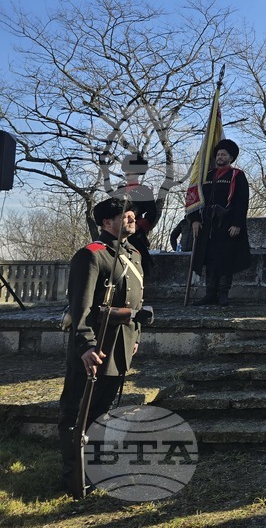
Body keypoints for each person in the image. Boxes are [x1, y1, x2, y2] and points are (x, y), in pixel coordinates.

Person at [57, 198, 149, 496]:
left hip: (120, 346)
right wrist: (86, 346)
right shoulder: (92, 255)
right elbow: (81, 309)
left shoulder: (133, 254)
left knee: (105, 411)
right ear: (107, 222)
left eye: (132, 213)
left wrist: (134, 338)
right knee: (77, 411)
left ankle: (97, 469)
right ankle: (75, 474)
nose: (132, 217)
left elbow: (135, 303)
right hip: (94, 346)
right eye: (125, 214)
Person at [189, 139, 252, 306]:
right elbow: (195, 197)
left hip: (227, 223)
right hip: (208, 224)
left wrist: (237, 223)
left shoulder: (237, 175)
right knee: (209, 259)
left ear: (230, 157)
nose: (220, 157)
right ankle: (210, 293)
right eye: (218, 154)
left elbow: (242, 200)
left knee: (225, 259)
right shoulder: (206, 176)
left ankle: (223, 293)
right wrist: (194, 219)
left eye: (223, 154)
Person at [110, 154, 159, 280]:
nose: (128, 172)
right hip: (116, 233)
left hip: (134, 234)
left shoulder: (144, 191)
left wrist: (137, 226)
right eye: (127, 169)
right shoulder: (119, 191)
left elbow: (152, 213)